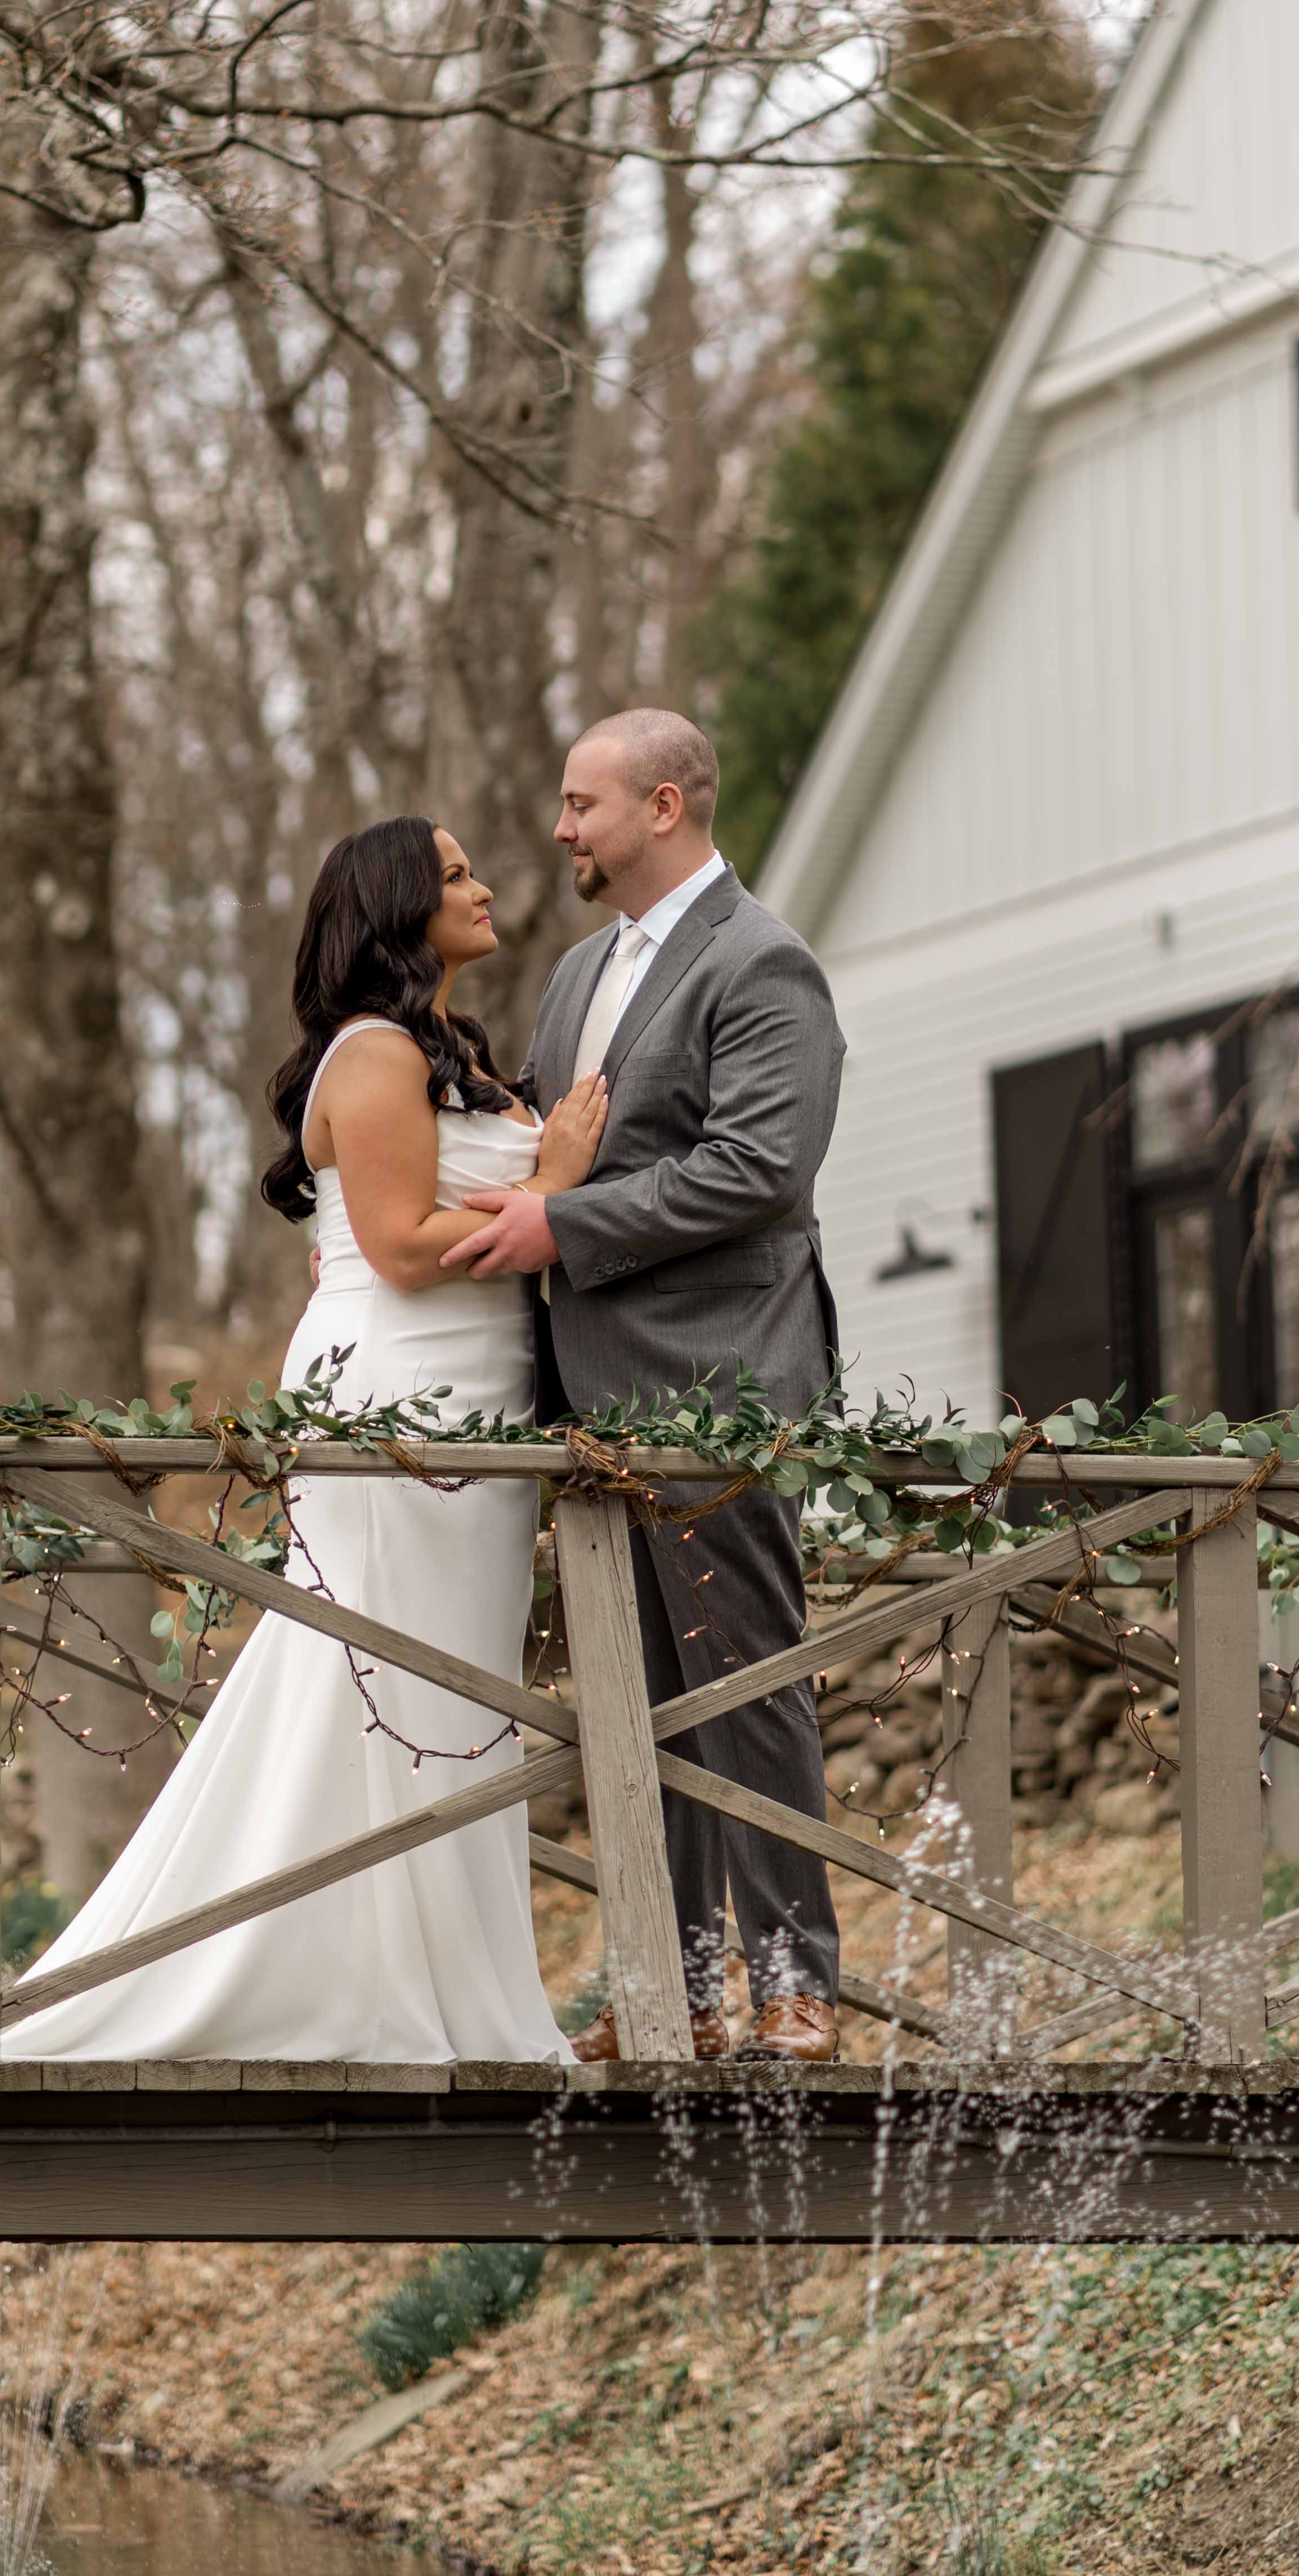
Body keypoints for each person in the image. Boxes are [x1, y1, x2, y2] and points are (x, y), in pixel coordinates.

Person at [0, 815, 606, 2063]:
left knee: (450, 1676)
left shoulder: (448, 1052)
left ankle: (445, 1987)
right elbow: (401, 1246)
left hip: (478, 1391)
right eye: (454, 874)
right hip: (399, 1384)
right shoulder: (374, 1051)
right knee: (382, 1665)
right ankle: (343, 1982)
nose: (484, 886)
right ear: (396, 907)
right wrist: (555, 1188)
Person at [442, 710, 847, 2064]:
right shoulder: (575, 972)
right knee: (634, 1703)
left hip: (716, 1383)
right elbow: (542, 1139)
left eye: (581, 803)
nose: (559, 827)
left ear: (661, 805)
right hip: (588, 1394)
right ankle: (668, 1991)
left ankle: (793, 1986)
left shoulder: (762, 959)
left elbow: (759, 1168)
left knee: (744, 1683)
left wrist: (562, 1225)